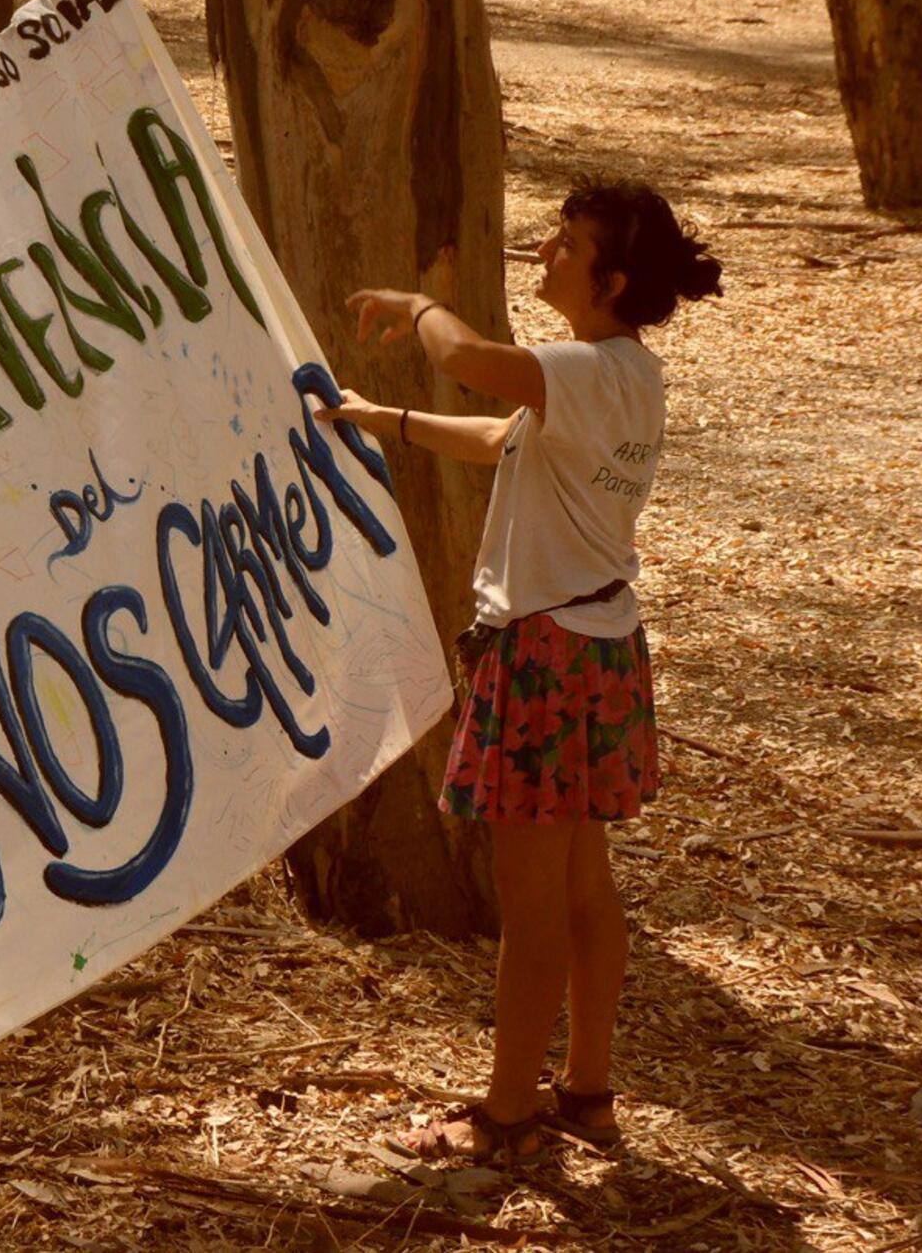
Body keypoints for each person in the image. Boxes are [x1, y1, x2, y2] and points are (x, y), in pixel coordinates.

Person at [317, 178, 722, 1167]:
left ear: (610, 278)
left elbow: (463, 361)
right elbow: (504, 442)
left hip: (541, 656)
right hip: (596, 649)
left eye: (565, 243)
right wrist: (376, 419)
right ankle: (584, 1092)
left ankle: (503, 1113)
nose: (544, 250)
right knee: (581, 886)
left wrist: (416, 307)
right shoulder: (625, 378)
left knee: (530, 899)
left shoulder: (581, 370)